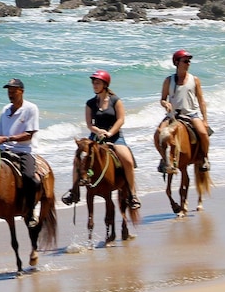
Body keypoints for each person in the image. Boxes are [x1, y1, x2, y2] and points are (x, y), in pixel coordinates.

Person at [63, 70, 141, 209]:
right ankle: (74, 192)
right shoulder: (90, 103)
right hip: (95, 137)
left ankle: (132, 194)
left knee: (127, 160)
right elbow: (89, 124)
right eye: (93, 82)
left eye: (97, 82)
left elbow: (121, 119)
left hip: (115, 136)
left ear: (105, 84)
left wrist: (110, 133)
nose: (94, 85)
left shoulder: (115, 101)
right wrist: (98, 131)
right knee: (78, 159)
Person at [0, 78, 42, 227]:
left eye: (13, 91)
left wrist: (7, 138)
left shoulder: (31, 108)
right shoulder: (5, 110)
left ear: (21, 91)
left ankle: (30, 211)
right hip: (3, 149)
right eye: (9, 91)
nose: (10, 94)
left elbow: (29, 134)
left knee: (29, 177)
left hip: (24, 150)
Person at [155, 49, 211, 173]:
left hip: (190, 114)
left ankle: (204, 158)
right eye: (185, 61)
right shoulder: (168, 81)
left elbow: (201, 100)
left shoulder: (194, 80)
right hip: (173, 115)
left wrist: (205, 119)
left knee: (203, 133)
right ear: (177, 63)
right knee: (158, 133)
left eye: (189, 61)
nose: (188, 63)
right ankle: (164, 159)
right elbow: (162, 99)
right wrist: (166, 104)